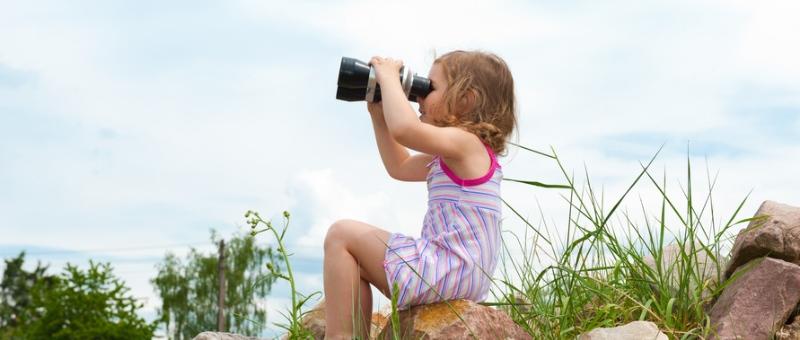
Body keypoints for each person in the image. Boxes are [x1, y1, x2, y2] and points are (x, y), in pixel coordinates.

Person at [323, 50, 517, 339]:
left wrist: (389, 79)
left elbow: (405, 129)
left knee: (341, 235)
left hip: (448, 267)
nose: (419, 97)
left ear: (466, 100)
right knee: (355, 261)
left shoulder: (466, 144)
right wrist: (379, 116)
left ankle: (341, 336)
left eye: (430, 88)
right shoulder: (457, 153)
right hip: (459, 273)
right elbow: (399, 166)